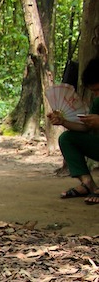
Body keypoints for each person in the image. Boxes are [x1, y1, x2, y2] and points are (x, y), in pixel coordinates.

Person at [49, 57, 99, 203]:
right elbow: (85, 128)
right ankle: (88, 184)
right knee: (67, 138)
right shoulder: (98, 102)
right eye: (94, 91)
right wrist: (63, 122)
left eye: (98, 90)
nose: (96, 95)